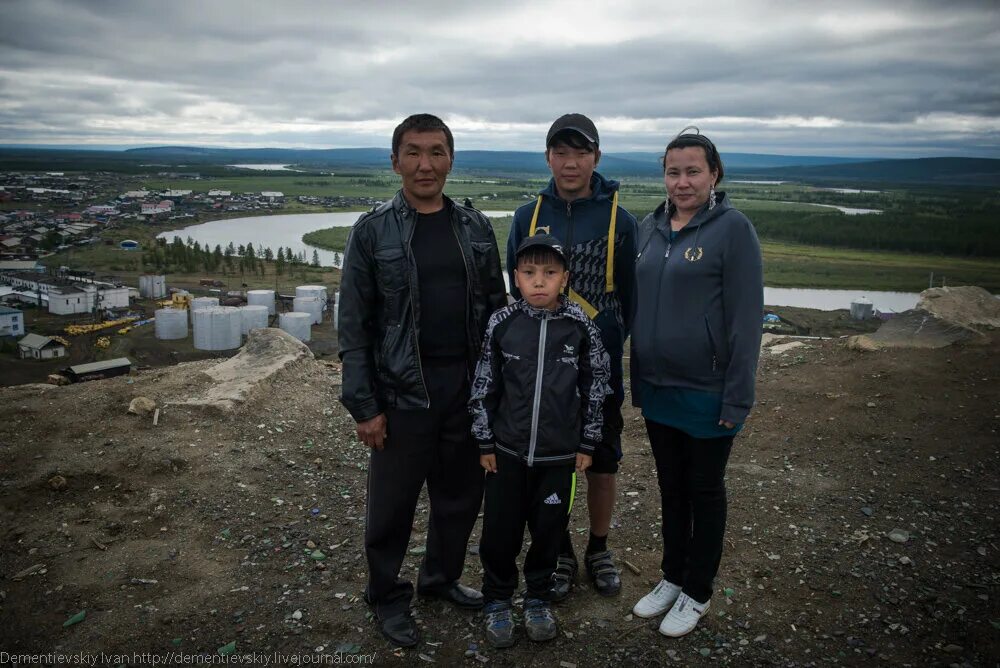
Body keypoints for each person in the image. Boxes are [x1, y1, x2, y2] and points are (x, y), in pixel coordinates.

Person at [338, 113, 507, 648]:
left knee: (459, 497)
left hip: (465, 386)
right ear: (395, 161)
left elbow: (495, 309)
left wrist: (497, 388)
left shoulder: (475, 228)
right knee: (392, 504)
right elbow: (355, 326)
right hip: (402, 390)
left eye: (436, 152)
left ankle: (440, 579)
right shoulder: (372, 231)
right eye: (413, 152)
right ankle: (387, 596)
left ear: (451, 159)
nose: (425, 164)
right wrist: (364, 405)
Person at [629, 127, 763, 637]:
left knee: (704, 490)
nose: (682, 182)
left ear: (714, 174)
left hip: (707, 390)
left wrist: (738, 396)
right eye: (673, 171)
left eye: (693, 171)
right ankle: (672, 576)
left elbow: (747, 320)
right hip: (660, 388)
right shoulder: (650, 227)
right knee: (670, 487)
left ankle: (698, 590)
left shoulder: (733, 230)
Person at [506, 113, 637, 599]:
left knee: (603, 458)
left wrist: (614, 356)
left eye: (580, 152)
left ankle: (597, 547)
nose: (570, 162)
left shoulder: (621, 221)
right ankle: (557, 547)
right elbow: (516, 291)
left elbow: (631, 297)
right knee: (550, 459)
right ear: (548, 158)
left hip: (598, 368)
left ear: (596, 158)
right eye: (561, 152)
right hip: (541, 368)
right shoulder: (527, 217)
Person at [469, 234, 611, 648]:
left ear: (565, 278)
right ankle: (497, 599)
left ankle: (537, 598)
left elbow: (597, 388)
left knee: (549, 531)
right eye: (529, 273)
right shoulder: (503, 323)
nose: (538, 282)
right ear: (516, 277)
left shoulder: (581, 326)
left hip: (560, 457)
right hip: (506, 454)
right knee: (500, 532)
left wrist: (587, 444)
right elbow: (484, 386)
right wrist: (484, 443)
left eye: (549, 273)